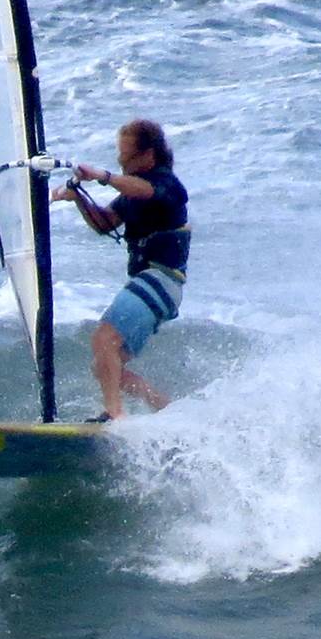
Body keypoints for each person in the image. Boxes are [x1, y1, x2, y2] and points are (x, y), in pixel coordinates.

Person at [49, 119, 190, 421]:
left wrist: (103, 176)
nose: (121, 163)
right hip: (154, 284)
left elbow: (144, 190)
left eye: (125, 158)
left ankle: (115, 415)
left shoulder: (167, 185)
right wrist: (78, 200)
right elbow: (105, 223)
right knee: (105, 364)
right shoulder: (130, 194)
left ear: (148, 156)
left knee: (103, 340)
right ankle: (170, 413)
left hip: (162, 279)